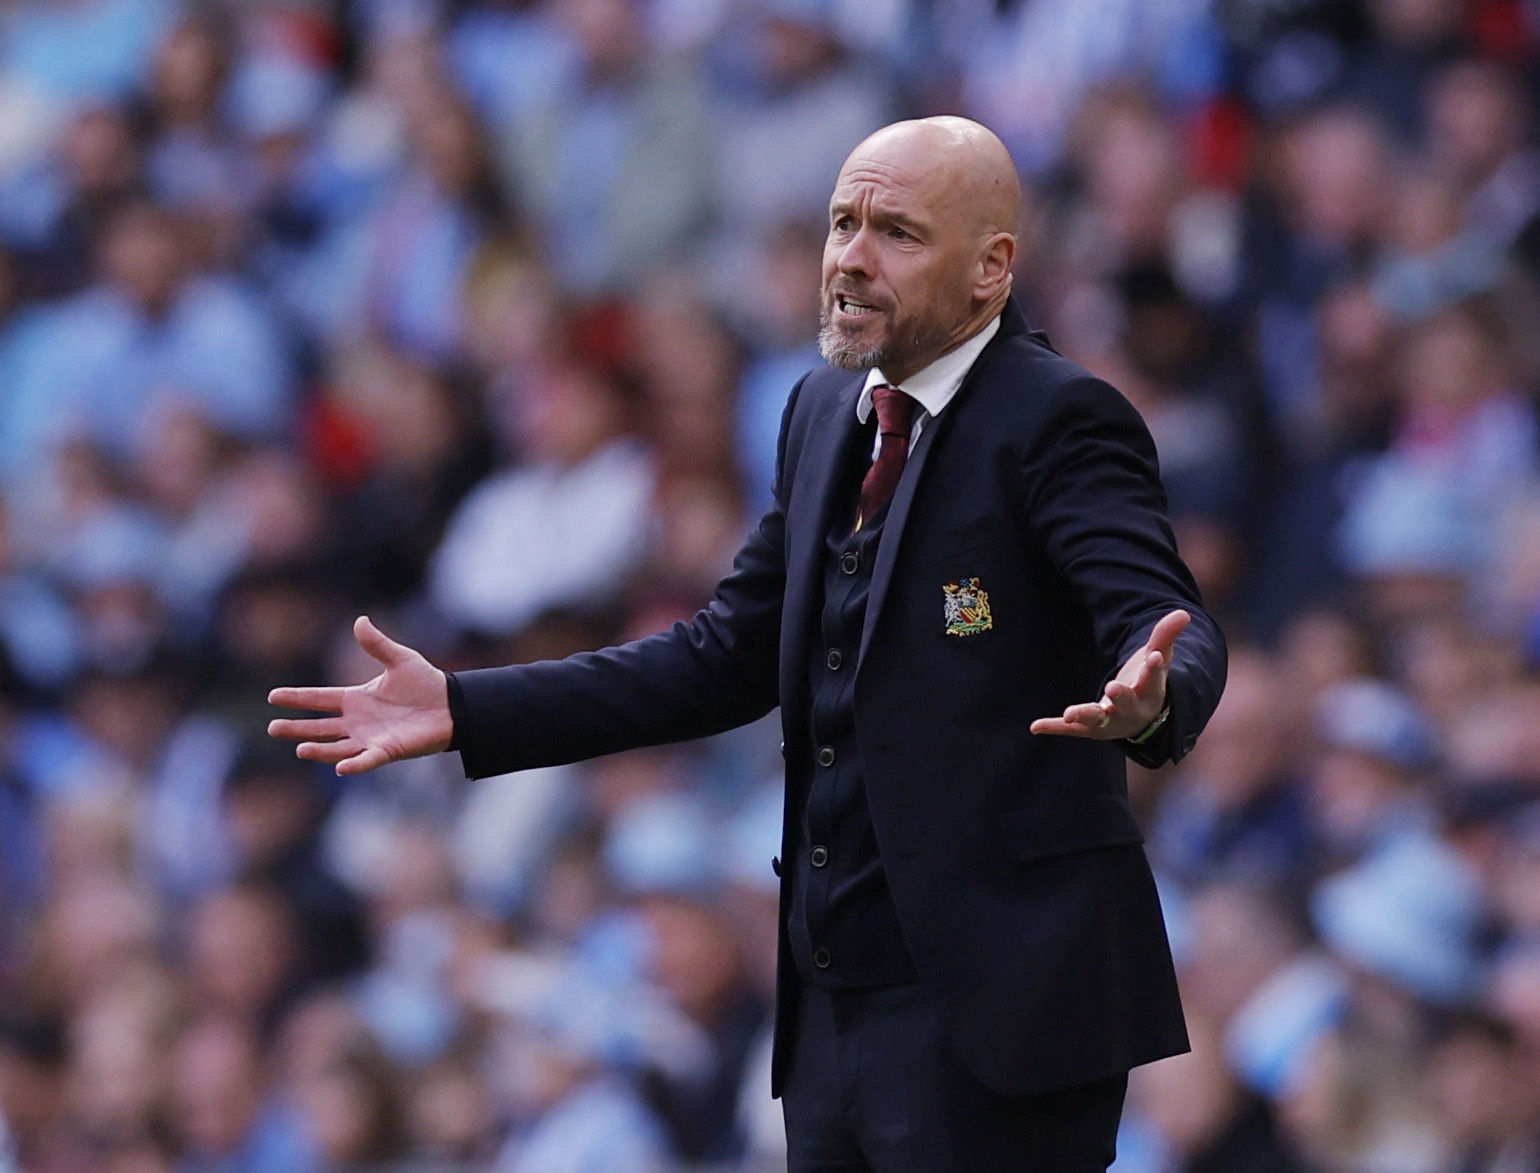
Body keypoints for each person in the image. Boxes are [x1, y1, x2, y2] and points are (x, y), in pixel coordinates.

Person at [269, 117, 1227, 1170]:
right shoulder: (821, 411)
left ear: (991, 267)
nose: (851, 258)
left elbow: (1162, 619)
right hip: (829, 1016)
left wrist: (1157, 695)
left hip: (999, 1013)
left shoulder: (1059, 417)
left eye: (896, 233)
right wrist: (469, 707)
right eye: (841, 224)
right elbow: (724, 655)